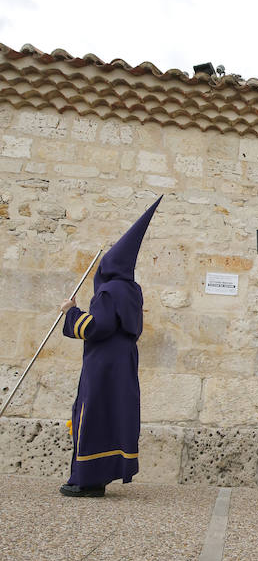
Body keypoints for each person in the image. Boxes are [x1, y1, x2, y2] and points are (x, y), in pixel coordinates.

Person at [58, 197, 161, 498]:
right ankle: (99, 476)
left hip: (103, 362)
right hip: (124, 359)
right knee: (113, 413)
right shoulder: (132, 291)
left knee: (93, 414)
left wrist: (71, 312)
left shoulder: (107, 291)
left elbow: (97, 327)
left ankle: (87, 480)